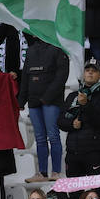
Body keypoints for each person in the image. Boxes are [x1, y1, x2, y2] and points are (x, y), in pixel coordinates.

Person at [21, 38, 68, 182]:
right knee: (40, 138)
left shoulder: (58, 49)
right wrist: (21, 100)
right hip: (35, 101)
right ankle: (42, 172)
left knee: (53, 136)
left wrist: (47, 97)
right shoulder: (30, 51)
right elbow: (25, 77)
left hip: (51, 101)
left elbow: (62, 76)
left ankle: (56, 171)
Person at [59, 59, 100, 178]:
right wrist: (72, 124)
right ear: (83, 73)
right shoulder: (73, 96)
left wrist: (86, 104)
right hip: (73, 152)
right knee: (74, 194)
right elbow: (60, 121)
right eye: (87, 70)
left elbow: (99, 120)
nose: (90, 73)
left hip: (94, 152)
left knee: (98, 191)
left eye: (94, 71)